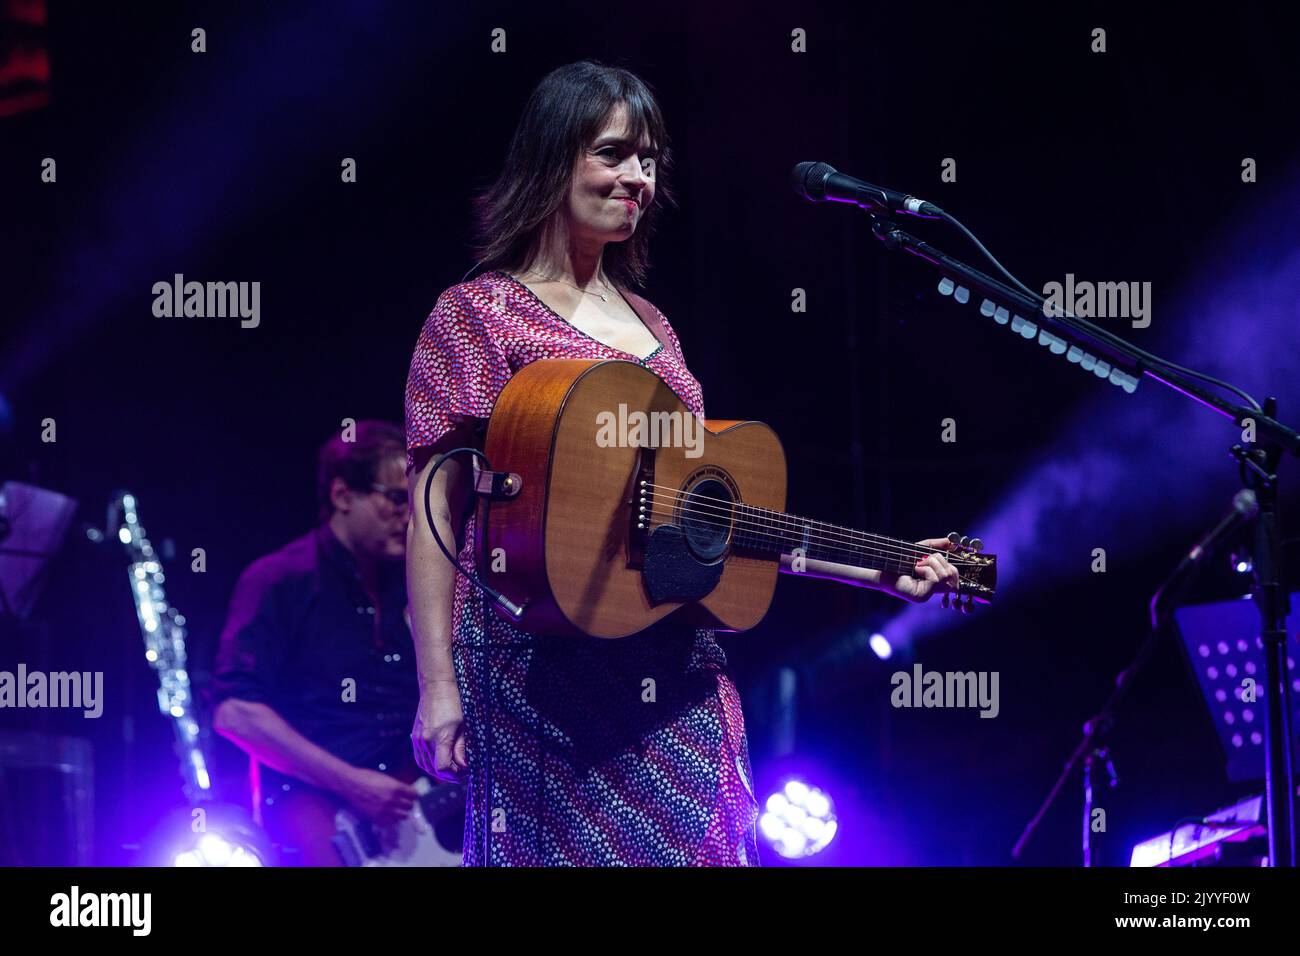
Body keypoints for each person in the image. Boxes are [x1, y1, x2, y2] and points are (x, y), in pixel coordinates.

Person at [404, 60, 962, 866]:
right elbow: (435, 517)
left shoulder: (657, 330)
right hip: (535, 684)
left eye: (650, 159)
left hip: (676, 678)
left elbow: (703, 531)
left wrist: (879, 571)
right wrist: (438, 686)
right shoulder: (474, 318)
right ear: (553, 158)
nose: (638, 177)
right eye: (614, 153)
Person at [212, 421, 423, 865]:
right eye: (397, 499)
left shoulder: (410, 582)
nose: (410, 516)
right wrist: (352, 783)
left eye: (416, 500)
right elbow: (237, 713)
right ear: (343, 495)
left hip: (412, 815)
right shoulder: (278, 579)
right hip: (319, 814)